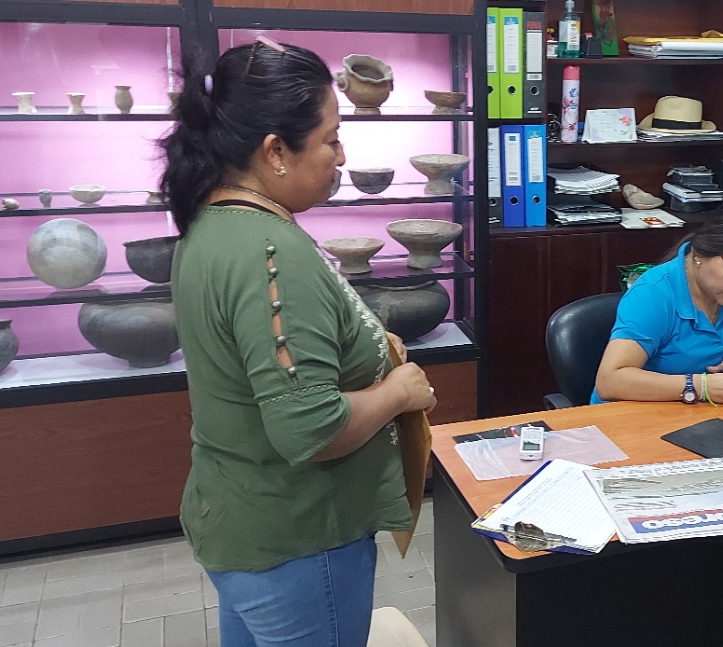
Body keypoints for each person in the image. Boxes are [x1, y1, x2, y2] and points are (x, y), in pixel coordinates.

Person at [161, 38, 437, 647]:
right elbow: (309, 428)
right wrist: (398, 392)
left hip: (239, 522)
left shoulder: (209, 223)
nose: (342, 155)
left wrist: (365, 346)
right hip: (299, 542)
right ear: (276, 152)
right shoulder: (272, 251)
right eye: (331, 139)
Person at [594, 201, 723, 404]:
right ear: (701, 254)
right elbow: (610, 381)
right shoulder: (653, 293)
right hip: (634, 414)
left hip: (704, 412)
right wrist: (700, 387)